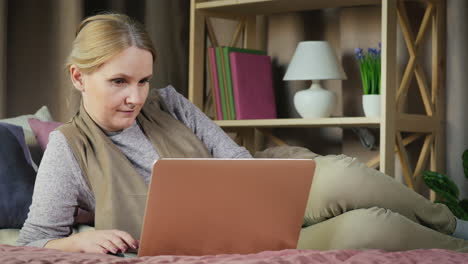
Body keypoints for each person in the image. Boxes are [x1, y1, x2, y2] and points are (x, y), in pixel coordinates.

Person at [17, 13, 468, 254]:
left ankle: (457, 226)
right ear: (79, 78)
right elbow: (33, 240)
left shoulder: (170, 103)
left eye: (142, 80)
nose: (135, 96)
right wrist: (74, 240)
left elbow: (235, 160)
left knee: (345, 173)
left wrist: (264, 199)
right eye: (119, 82)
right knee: (374, 228)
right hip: (209, 242)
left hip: (257, 201)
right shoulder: (68, 149)